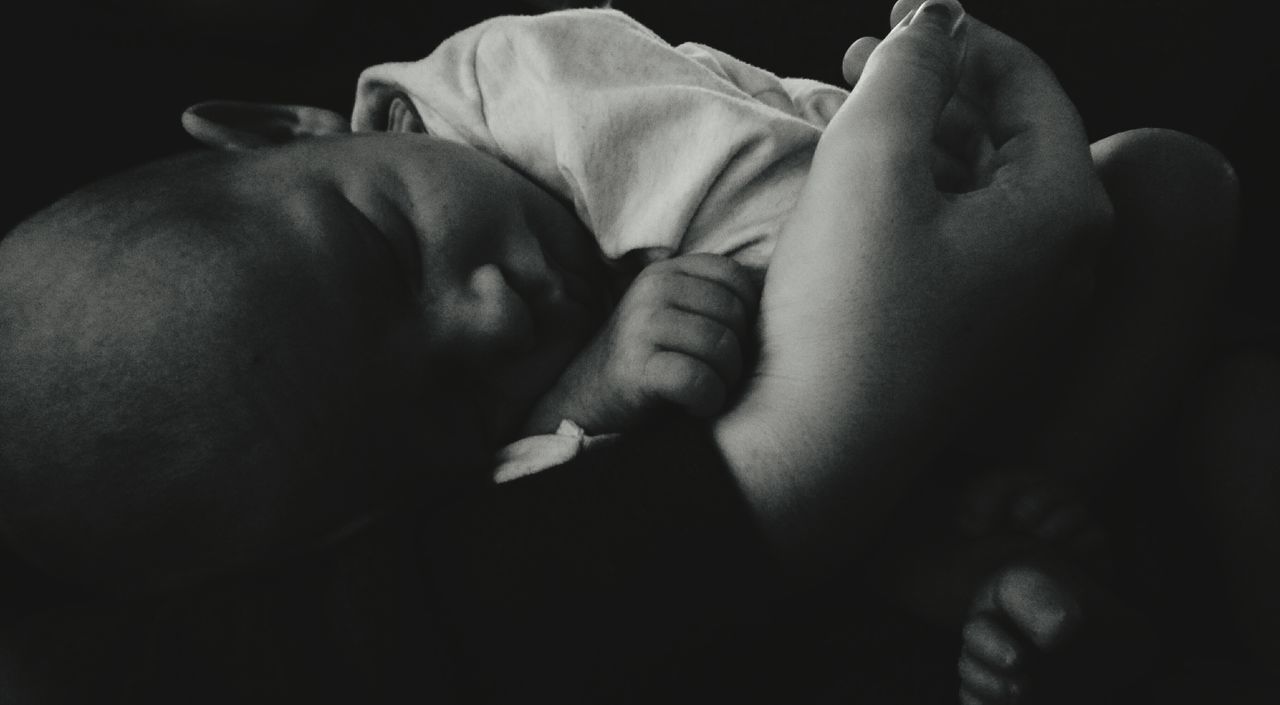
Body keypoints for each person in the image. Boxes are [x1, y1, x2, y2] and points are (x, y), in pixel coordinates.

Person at [0, 1, 1236, 702]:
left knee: (1173, 179)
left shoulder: (503, 85)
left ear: (301, 130)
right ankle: (1008, 528)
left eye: (385, 251)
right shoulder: (492, 526)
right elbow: (532, 528)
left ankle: (1060, 468)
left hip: (997, 250)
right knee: (887, 600)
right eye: (436, 402)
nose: (485, 317)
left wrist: (910, 111)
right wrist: (591, 391)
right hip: (871, 476)